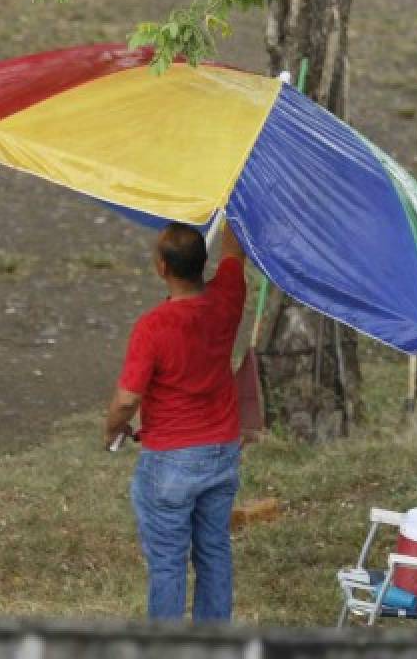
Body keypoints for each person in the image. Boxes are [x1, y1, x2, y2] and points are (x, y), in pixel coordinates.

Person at [104, 221, 247, 622]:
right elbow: (234, 255)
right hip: (222, 451)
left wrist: (112, 428)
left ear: (162, 267)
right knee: (214, 552)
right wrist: (235, 200)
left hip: (169, 459)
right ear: (202, 264)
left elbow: (128, 398)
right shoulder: (228, 298)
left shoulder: (153, 327)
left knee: (168, 562)